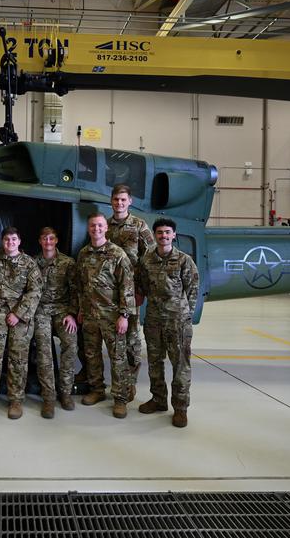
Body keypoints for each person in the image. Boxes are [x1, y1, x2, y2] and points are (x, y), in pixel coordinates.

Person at [136, 218, 199, 428]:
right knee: (154, 362)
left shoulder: (183, 260)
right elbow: (143, 286)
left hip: (178, 322)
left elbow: (192, 288)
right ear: (155, 235)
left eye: (167, 232)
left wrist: (185, 315)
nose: (163, 236)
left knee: (180, 364)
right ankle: (158, 399)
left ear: (174, 235)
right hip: (154, 320)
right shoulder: (146, 260)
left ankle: (180, 408)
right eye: (160, 232)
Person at [76, 212, 136, 419]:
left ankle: (120, 398)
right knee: (91, 356)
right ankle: (97, 390)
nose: (96, 229)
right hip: (91, 315)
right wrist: (81, 310)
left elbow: (127, 286)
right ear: (88, 228)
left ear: (106, 228)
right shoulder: (83, 254)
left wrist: (124, 315)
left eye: (100, 226)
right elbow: (81, 286)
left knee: (118, 358)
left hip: (112, 316)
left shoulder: (117, 254)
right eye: (93, 226)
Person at [0, 227, 42, 419]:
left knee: (18, 359)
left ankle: (15, 400)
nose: (10, 243)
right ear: (2, 241)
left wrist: (18, 313)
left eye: (14, 239)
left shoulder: (29, 263)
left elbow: (35, 291)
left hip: (20, 316)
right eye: (6, 239)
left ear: (19, 242)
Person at [105, 183, 156, 401]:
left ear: (130, 202)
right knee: (115, 340)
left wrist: (142, 290)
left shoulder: (139, 226)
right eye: (116, 199)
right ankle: (117, 382)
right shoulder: (104, 226)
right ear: (111, 201)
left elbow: (151, 259)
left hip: (131, 292)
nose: (119, 203)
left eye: (123, 200)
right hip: (108, 293)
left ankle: (130, 384)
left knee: (132, 341)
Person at [31, 227, 79, 418]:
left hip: (62, 311)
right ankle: (49, 396)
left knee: (70, 343)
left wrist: (72, 314)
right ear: (40, 241)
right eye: (45, 238)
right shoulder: (33, 263)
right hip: (41, 311)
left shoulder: (67, 263)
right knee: (44, 350)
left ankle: (65, 391)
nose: (48, 241)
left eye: (51, 238)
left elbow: (75, 291)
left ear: (56, 240)